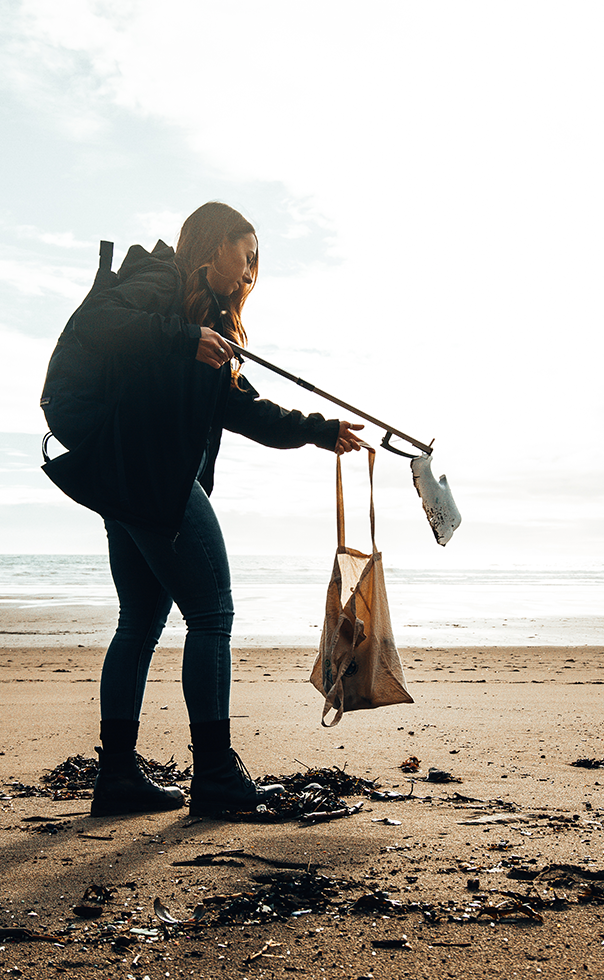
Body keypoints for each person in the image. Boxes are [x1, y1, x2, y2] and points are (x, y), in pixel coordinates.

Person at [40, 201, 363, 818]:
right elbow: (99, 322)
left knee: (140, 619)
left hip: (124, 475)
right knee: (212, 613)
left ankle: (117, 778)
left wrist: (320, 431)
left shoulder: (209, 323)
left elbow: (241, 408)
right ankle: (214, 776)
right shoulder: (160, 281)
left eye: (255, 263)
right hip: (147, 472)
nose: (251, 271)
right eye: (246, 255)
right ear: (214, 245)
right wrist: (186, 338)